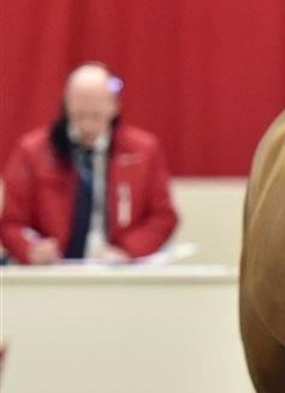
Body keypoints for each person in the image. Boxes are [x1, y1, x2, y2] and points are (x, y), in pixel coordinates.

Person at [0, 62, 179, 264]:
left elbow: (163, 217)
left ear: (114, 105)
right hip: (53, 270)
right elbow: (11, 223)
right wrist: (31, 249)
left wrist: (128, 250)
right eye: (80, 105)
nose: (88, 113)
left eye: (96, 106)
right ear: (66, 104)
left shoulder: (143, 152)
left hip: (118, 268)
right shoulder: (32, 152)